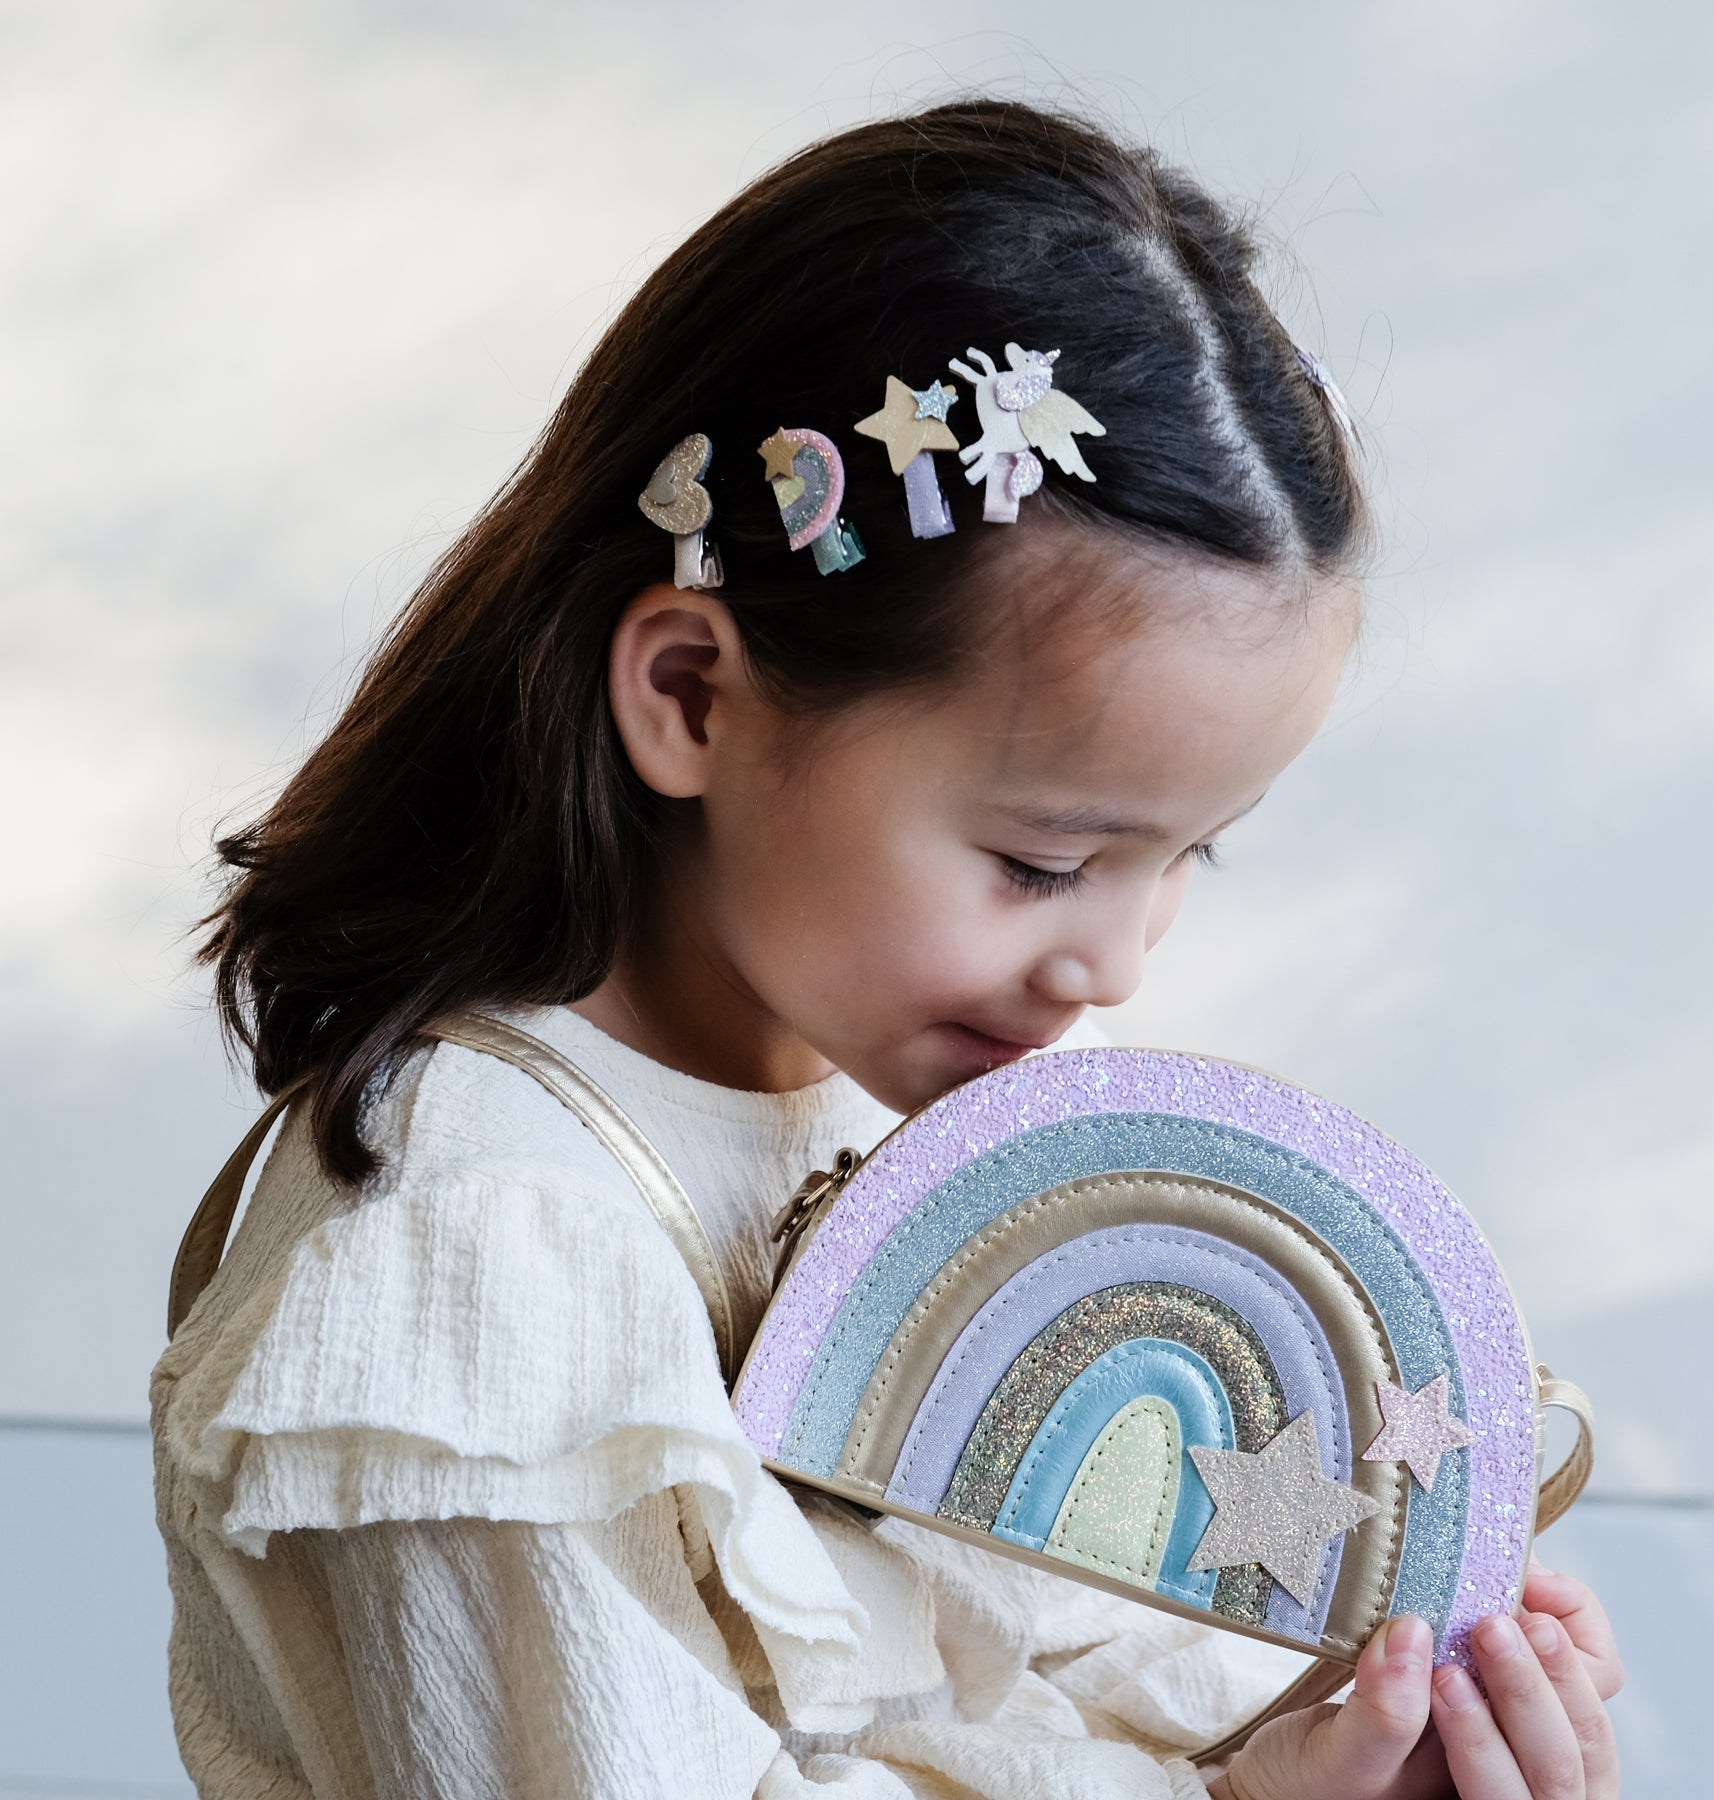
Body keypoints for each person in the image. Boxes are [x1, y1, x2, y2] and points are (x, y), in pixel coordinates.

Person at [151, 99, 1623, 1799]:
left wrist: (1354, 1734)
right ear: (692, 696)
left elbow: (1059, 1665)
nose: (1115, 965)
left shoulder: (903, 1104)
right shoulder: (473, 1253)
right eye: (1043, 861)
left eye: (1185, 856)